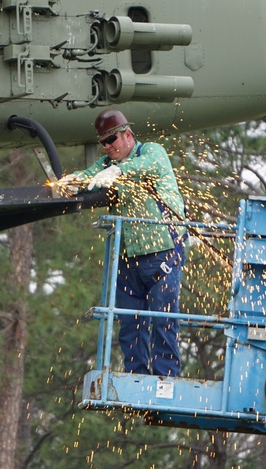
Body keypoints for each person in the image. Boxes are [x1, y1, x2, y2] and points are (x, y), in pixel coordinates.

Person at [55, 109, 186, 377]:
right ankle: (136, 376)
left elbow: (147, 166)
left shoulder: (151, 152)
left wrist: (118, 170)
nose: (106, 147)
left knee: (163, 318)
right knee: (130, 323)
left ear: (127, 135)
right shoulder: (105, 165)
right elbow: (89, 174)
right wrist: (72, 182)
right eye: (102, 142)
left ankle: (165, 377)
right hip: (127, 255)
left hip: (163, 251)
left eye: (111, 139)